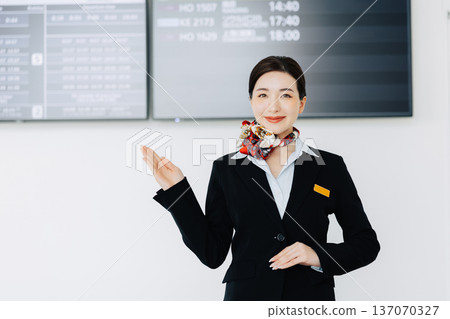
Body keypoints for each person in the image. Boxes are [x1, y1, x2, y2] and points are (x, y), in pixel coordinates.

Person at [141, 56, 380, 301]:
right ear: (252, 101)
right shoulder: (227, 168)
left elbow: (366, 244)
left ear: (302, 103)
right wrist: (177, 190)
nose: (273, 107)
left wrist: (316, 254)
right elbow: (212, 254)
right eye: (263, 95)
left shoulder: (329, 166)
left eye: (286, 95)